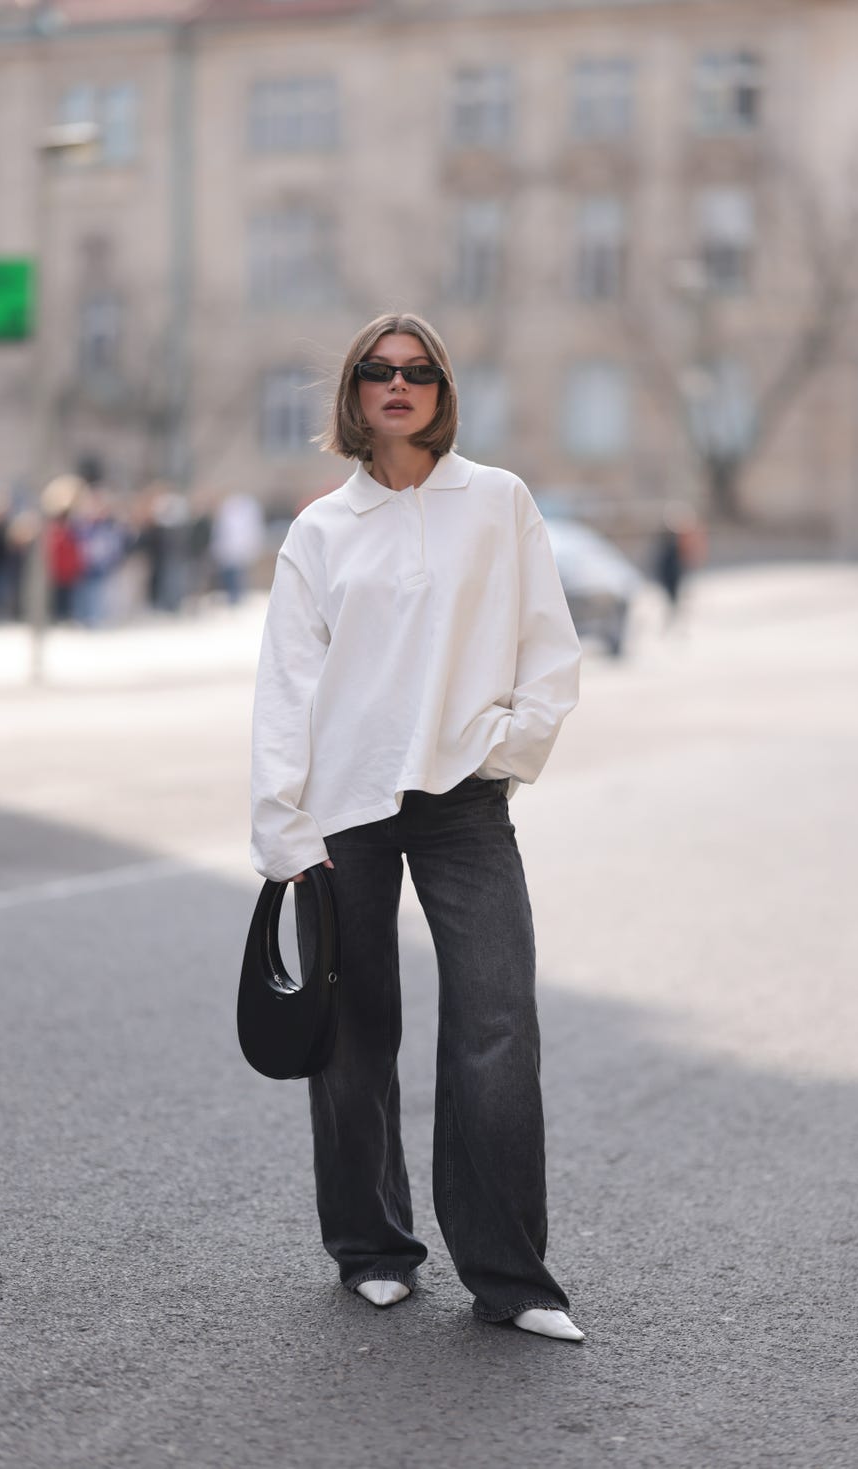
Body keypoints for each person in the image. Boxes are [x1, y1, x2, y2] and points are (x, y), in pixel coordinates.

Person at [250, 313, 585, 1342]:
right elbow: (284, 686)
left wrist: (503, 750)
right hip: (344, 803)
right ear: (351, 394)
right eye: (377, 372)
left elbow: (548, 648)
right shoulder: (320, 530)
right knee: (353, 1033)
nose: (398, 385)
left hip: (462, 801)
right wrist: (285, 830)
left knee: (495, 1024)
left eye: (419, 371)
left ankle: (510, 1274)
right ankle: (372, 1248)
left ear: (443, 389)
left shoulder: (497, 502)